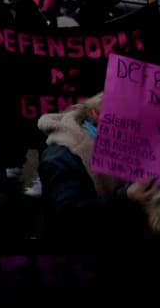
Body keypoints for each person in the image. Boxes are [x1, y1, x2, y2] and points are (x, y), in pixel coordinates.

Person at [34, 93, 160, 298]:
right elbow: (66, 219)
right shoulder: (63, 155)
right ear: (100, 117)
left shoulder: (129, 147)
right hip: (83, 274)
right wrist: (125, 198)